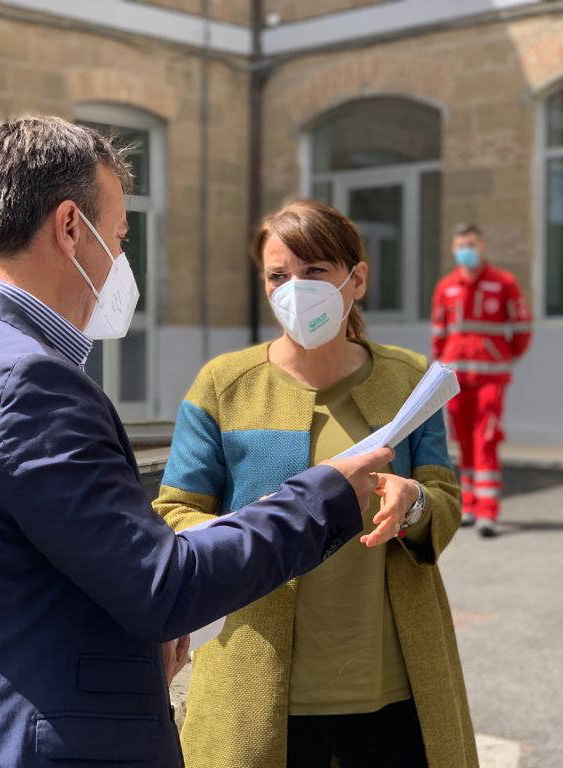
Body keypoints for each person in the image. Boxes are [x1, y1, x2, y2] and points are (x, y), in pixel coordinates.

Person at [0, 117, 400, 768]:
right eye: (120, 237)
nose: (121, 261)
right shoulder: (31, 383)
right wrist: (326, 494)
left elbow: (13, 580)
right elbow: (164, 587)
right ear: (70, 227)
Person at [155, 201, 477, 768]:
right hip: (257, 679)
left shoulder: (410, 379)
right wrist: (249, 536)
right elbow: (176, 510)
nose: (294, 291)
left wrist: (415, 503)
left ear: (358, 279)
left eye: (314, 271)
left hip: (394, 687)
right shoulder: (224, 384)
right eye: (278, 276)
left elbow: (445, 499)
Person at [431, 223, 532, 537]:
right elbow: (439, 334)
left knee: (485, 439)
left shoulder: (503, 283)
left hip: (490, 377)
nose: (466, 250)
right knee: (462, 440)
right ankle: (470, 505)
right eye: (461, 245)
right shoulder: (446, 287)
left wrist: (504, 357)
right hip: (456, 379)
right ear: (453, 249)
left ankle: (488, 511)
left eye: (471, 244)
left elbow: (522, 327)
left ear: (482, 245)